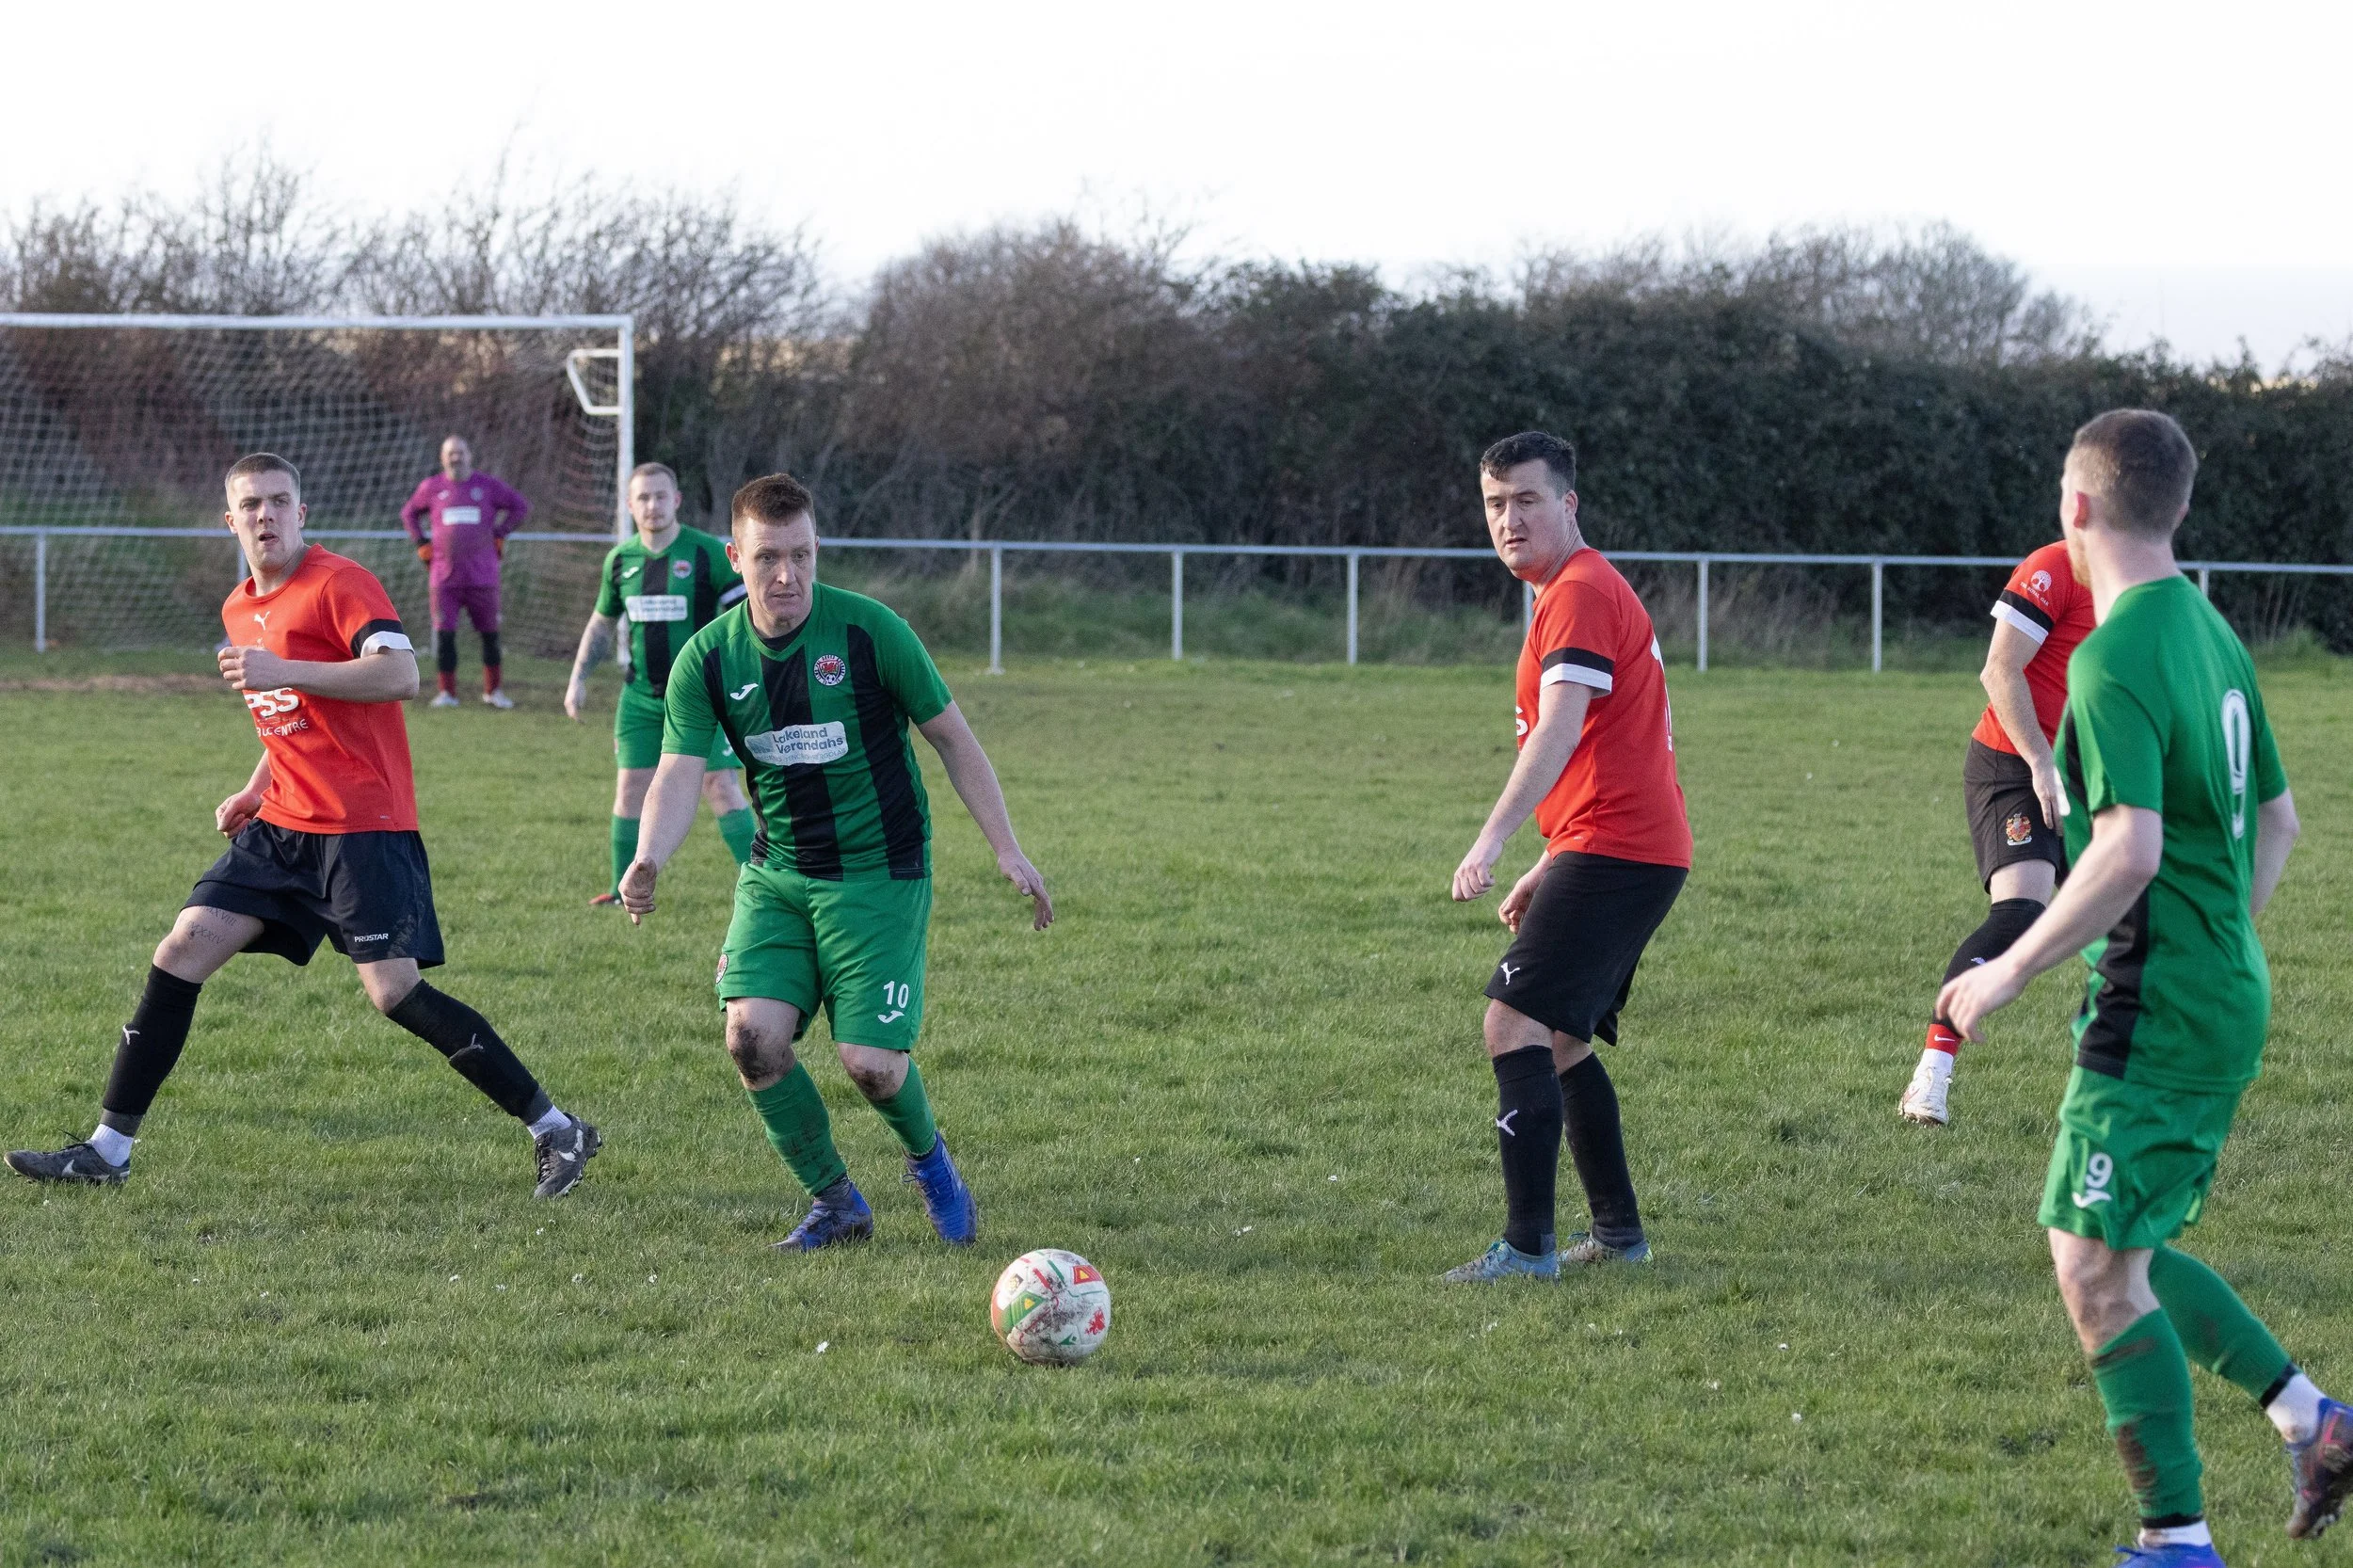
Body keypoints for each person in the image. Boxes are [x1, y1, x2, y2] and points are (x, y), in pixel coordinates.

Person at [1940, 409, 2350, 1566]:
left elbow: (2126, 850)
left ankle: (2175, 1540)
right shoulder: (2212, 632)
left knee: (2089, 1264)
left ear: (2074, 508)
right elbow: (2279, 821)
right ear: (2175, 505)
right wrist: (2223, 940)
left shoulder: (2116, 651)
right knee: (2119, 1242)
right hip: (2219, 982)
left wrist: (2008, 966)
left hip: (2164, 1000)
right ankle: (2310, 1420)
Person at [7, 455, 599, 1196]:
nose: (266, 515)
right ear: (231, 520)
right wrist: (254, 788)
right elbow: (287, 721)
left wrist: (283, 669)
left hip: (362, 827)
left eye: (279, 501)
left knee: (395, 994)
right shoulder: (237, 608)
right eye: (251, 504)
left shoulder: (340, 584)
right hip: (283, 825)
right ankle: (108, 1150)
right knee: (181, 950)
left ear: (302, 512)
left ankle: (557, 1128)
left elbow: (401, 675)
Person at [618, 473, 1052, 1251]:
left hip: (880, 872)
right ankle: (837, 1202)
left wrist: (1006, 847)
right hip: (779, 872)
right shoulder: (708, 660)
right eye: (767, 559)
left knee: (872, 1066)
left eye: (803, 555)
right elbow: (681, 769)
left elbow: (952, 737)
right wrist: (649, 855)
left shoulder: (870, 632)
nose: (787, 576)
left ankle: (932, 1167)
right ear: (734, 558)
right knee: (751, 1039)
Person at [1444, 431, 1691, 1283]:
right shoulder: (1574, 590)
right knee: (1559, 1039)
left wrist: (1494, 836)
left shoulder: (1580, 591)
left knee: (1510, 1026)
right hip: (1619, 844)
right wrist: (1555, 854)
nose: (1508, 521)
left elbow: (1561, 727)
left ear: (1568, 504)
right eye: (1494, 505)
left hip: (1620, 848)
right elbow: (1618, 746)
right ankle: (1618, 1238)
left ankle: (1526, 1248)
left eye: (1527, 501)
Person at [1899, 536, 2095, 1124]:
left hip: (2096, 772)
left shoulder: (2144, 589)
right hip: (2015, 762)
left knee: (2134, 925)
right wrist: (2040, 761)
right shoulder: (2053, 567)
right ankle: (1931, 1075)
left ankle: (2121, 1082)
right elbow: (1999, 668)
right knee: (2019, 914)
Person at [565, 462, 757, 905]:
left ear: (676, 501)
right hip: (640, 697)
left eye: (660, 496)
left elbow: (751, 615)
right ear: (630, 506)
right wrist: (577, 679)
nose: (652, 505)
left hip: (702, 698)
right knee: (631, 786)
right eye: (642, 498)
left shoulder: (709, 553)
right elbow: (600, 625)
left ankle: (766, 886)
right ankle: (620, 891)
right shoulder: (620, 561)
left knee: (721, 786)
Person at [402, 434, 530, 709]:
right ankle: (447, 693)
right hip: (444, 578)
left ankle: (493, 691)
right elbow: (408, 513)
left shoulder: (487, 486)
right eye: (450, 453)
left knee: (490, 634)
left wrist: (500, 533)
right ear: (442, 458)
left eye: (460, 452)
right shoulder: (432, 487)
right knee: (445, 635)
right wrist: (421, 542)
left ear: (469, 455)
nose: (456, 457)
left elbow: (520, 507)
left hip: (483, 577)